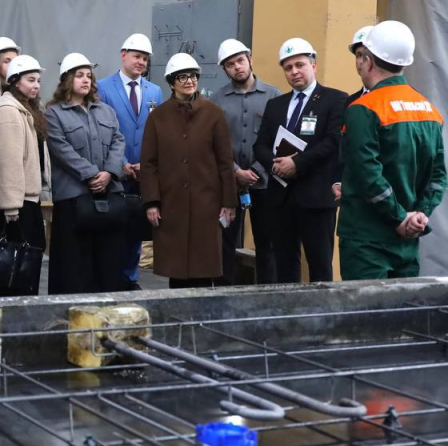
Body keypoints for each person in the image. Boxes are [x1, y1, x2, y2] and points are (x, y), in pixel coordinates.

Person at [339, 20, 446, 279]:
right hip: (408, 240)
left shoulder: (363, 108)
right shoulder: (429, 110)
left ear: (368, 61)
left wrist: (398, 217)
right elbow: (438, 176)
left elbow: (367, 175)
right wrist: (420, 215)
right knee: (404, 304)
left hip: (367, 241)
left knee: (366, 305)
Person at [254, 38, 348, 283]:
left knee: (320, 264)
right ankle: (288, 307)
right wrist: (275, 165)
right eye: (288, 67)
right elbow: (260, 145)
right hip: (281, 197)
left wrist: (298, 163)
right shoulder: (275, 104)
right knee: (284, 265)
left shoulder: (335, 99)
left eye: (300, 65)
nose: (294, 71)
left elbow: (332, 141)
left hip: (316, 197)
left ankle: (321, 308)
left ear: (313, 65)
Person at [141, 53, 237, 288]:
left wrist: (229, 202)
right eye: (182, 77)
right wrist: (152, 202)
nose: (189, 81)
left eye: (193, 76)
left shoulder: (213, 114)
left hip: (207, 204)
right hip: (171, 204)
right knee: (176, 270)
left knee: (204, 267)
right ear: (171, 83)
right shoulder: (158, 117)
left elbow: (225, 162)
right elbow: (149, 163)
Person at [45, 53, 128, 294]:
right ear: (66, 80)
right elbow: (61, 148)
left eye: (89, 76)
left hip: (107, 197)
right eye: (79, 75)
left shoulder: (106, 111)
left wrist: (109, 173)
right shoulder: (54, 113)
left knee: (107, 262)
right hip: (73, 200)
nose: (85, 80)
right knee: (74, 264)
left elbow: (118, 141)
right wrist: (91, 174)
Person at [208, 38, 282, 285]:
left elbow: (278, 139)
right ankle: (224, 295)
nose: (237, 67)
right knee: (225, 242)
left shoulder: (273, 95)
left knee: (267, 243)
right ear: (224, 70)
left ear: (249, 59)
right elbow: (212, 142)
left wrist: (258, 169)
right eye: (230, 64)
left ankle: (267, 295)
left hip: (265, 182)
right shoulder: (217, 100)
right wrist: (235, 171)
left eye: (240, 60)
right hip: (229, 184)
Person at [97, 33, 163, 288]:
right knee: (113, 227)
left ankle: (129, 278)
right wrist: (121, 163)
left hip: (142, 173)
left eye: (145, 59)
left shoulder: (154, 91)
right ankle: (110, 278)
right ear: (123, 55)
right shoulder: (103, 88)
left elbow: (156, 132)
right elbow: (102, 131)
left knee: (136, 227)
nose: (141, 62)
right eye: (137, 56)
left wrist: (146, 164)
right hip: (114, 171)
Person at [0, 55, 48, 294]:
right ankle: (11, 311)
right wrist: (11, 206)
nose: (36, 85)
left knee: (24, 266)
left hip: (25, 200)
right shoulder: (9, 113)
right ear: (15, 81)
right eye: (30, 80)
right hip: (16, 205)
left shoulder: (26, 110)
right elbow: (6, 161)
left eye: (38, 80)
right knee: (13, 269)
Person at [333, 25, 373, 202]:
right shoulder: (351, 101)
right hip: (353, 197)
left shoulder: (398, 98)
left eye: (366, 54)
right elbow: (343, 147)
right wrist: (338, 181)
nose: (361, 61)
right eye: (358, 55)